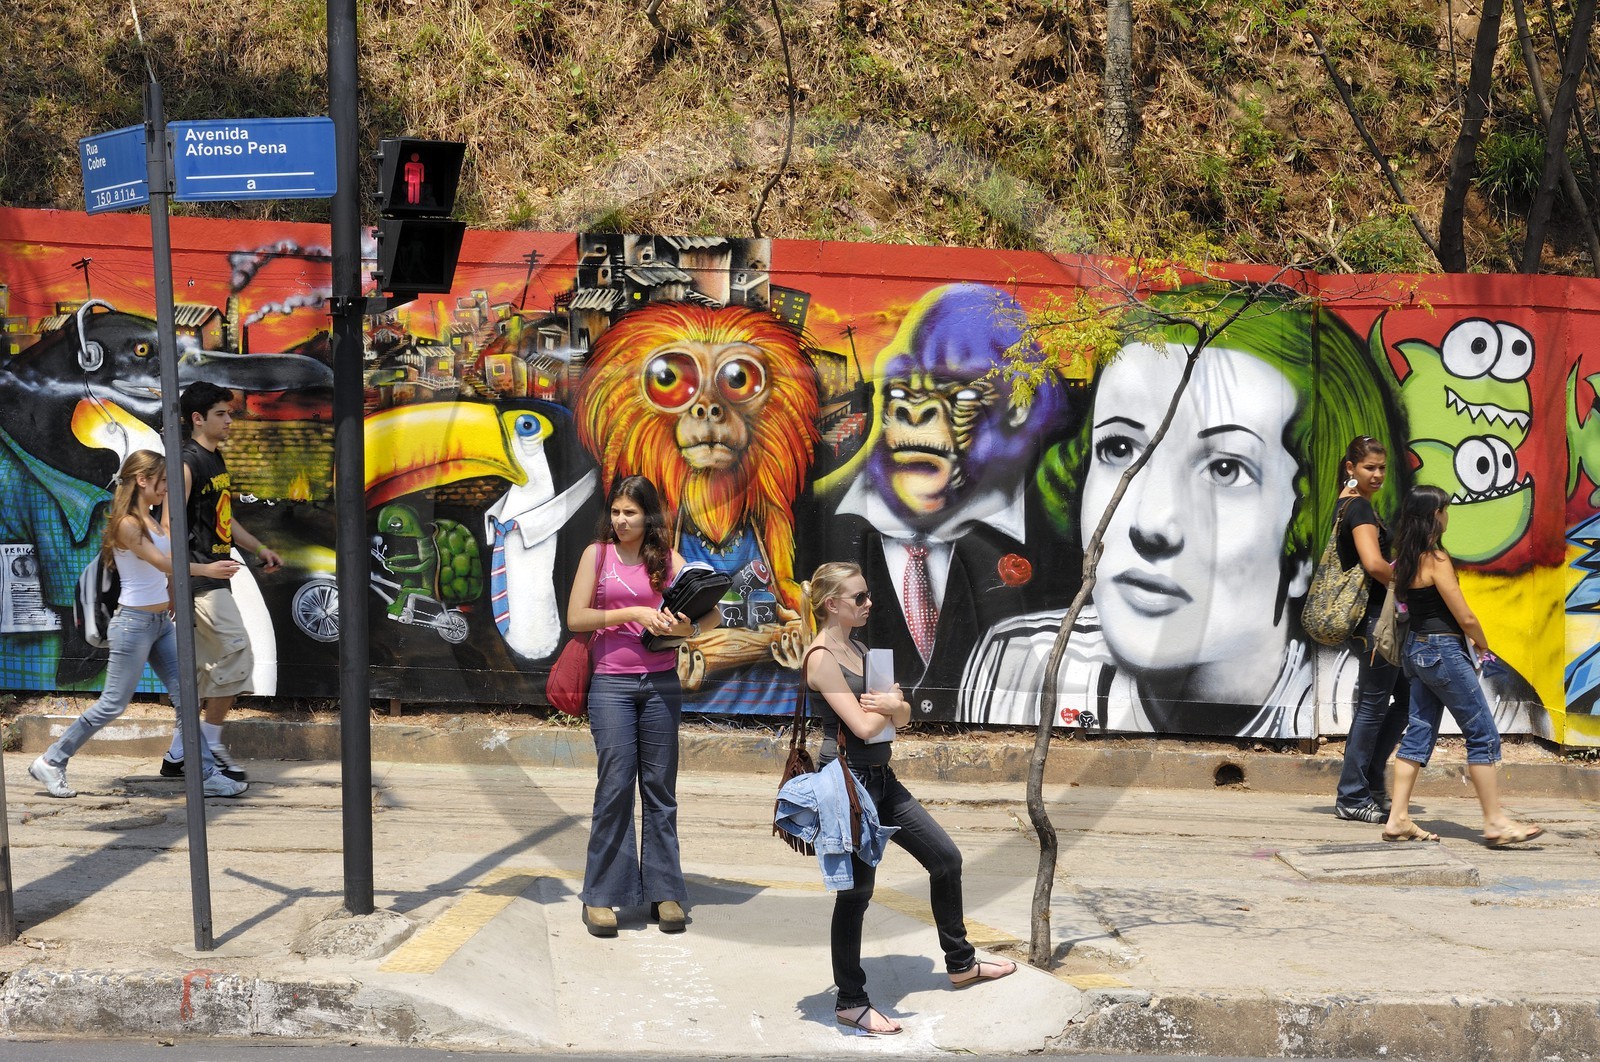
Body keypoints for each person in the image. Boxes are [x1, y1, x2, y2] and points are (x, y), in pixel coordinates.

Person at [960, 286, 1407, 737]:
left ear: (1305, 534)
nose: (1152, 524)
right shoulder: (1021, 664)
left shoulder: (1348, 702)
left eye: (1227, 469)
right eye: (1119, 447)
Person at [803, 561, 1016, 1036]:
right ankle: (851, 1001)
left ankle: (961, 964)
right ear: (832, 604)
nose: (868, 603)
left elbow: (898, 721)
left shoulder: (861, 649)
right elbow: (861, 726)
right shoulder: (821, 657)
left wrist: (895, 707)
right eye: (858, 597)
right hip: (847, 784)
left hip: (882, 777)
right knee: (856, 894)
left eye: (867, 595)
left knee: (946, 859)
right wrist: (894, 706)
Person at [27, 451, 247, 799]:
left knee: (187, 695)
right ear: (142, 480)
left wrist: (173, 592)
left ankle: (205, 774)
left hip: (159, 622)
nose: (166, 489)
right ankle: (52, 760)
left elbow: (163, 563)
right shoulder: (126, 523)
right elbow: (162, 561)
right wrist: (206, 570)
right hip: (134, 624)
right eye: (161, 481)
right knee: (113, 703)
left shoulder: (153, 520)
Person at [565, 475, 719, 937]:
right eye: (615, 511)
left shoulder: (668, 561)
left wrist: (683, 628)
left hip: (660, 684)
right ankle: (602, 896)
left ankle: (664, 892)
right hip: (610, 684)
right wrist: (634, 613)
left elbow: (709, 612)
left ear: (648, 516)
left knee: (659, 788)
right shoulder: (598, 555)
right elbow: (576, 617)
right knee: (614, 786)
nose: (620, 520)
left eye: (629, 512)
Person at [1382, 485, 1543, 845]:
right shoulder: (1436, 559)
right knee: (1482, 732)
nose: (1447, 515)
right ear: (1433, 517)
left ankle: (1398, 818)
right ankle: (1495, 822)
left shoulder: (1406, 560)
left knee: (1420, 731)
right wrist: (1483, 644)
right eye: (1444, 510)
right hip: (1443, 651)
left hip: (1417, 651)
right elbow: (1465, 616)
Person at [159, 382, 281, 784]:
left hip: (213, 576)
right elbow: (168, 528)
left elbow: (222, 520)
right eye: (221, 414)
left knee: (201, 672)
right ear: (198, 419)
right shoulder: (186, 463)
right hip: (200, 581)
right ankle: (208, 745)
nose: (230, 420)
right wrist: (180, 579)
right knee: (235, 656)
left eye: (230, 414)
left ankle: (180, 753)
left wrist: (258, 546)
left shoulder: (215, 459)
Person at [1331, 436, 1410, 822]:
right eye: (1369, 468)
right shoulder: (1358, 507)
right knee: (1374, 707)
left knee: (1407, 699)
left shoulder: (1355, 505)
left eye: (1381, 468)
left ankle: (1372, 781)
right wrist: (1417, 580)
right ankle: (1351, 795)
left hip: (1381, 618)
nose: (1377, 474)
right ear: (1351, 468)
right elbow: (1375, 564)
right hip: (1375, 621)